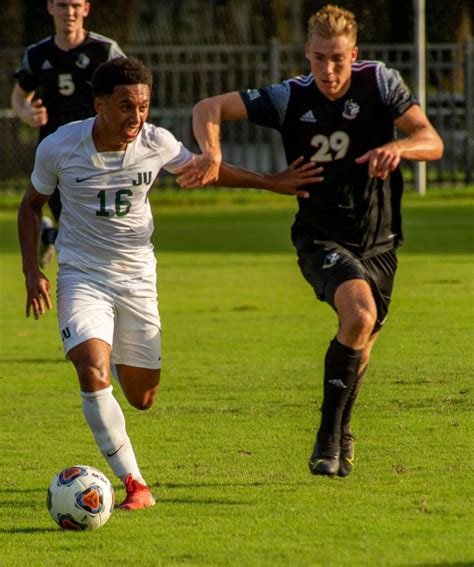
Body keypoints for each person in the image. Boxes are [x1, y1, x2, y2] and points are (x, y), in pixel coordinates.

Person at [18, 56, 321, 509]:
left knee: (142, 397)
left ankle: (113, 351)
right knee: (90, 368)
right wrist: (31, 271)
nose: (136, 118)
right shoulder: (60, 147)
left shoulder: (157, 142)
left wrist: (271, 182)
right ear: (99, 105)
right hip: (81, 273)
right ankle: (135, 484)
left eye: (142, 107)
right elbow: (30, 206)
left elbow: (205, 170)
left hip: (137, 276)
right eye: (125, 107)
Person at [179, 4, 444, 478]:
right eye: (319, 58)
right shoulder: (289, 98)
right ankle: (327, 434)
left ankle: (341, 433)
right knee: (358, 315)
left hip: (380, 241)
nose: (328, 69)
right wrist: (213, 152)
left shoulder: (380, 83)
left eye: (338, 58)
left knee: (361, 340)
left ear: (354, 54)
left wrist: (399, 147)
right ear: (307, 53)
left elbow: (431, 139)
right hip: (321, 237)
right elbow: (208, 108)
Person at [12, 0, 125, 267]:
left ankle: (49, 235)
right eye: (62, 5)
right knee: (81, 230)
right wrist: (27, 113)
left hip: (100, 153)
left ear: (86, 8)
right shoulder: (38, 54)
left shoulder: (105, 51)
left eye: (75, 5)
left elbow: (131, 90)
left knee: (96, 224)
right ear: (50, 7)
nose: (69, 12)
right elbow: (19, 97)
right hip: (57, 155)